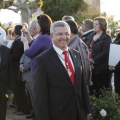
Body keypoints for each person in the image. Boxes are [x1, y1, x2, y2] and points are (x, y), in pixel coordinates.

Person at [33, 21, 91, 120]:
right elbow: (40, 96)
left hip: (79, 112)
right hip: (57, 115)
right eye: (60, 34)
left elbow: (82, 86)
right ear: (51, 36)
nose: (64, 37)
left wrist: (87, 109)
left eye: (67, 34)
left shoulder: (76, 55)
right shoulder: (42, 60)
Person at [89, 16, 112, 97]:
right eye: (93, 24)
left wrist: (93, 60)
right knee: (92, 91)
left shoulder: (106, 37)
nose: (94, 26)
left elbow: (105, 52)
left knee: (102, 92)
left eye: (96, 24)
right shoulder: (91, 36)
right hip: (91, 69)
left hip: (102, 69)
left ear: (102, 25)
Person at [65, 20, 91, 87]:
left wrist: (83, 85)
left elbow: (85, 67)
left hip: (78, 86)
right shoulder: (70, 43)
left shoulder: (79, 45)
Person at [0, 44, 13, 120]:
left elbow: (10, 71)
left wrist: (11, 89)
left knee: (3, 106)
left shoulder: (6, 50)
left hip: (4, 86)